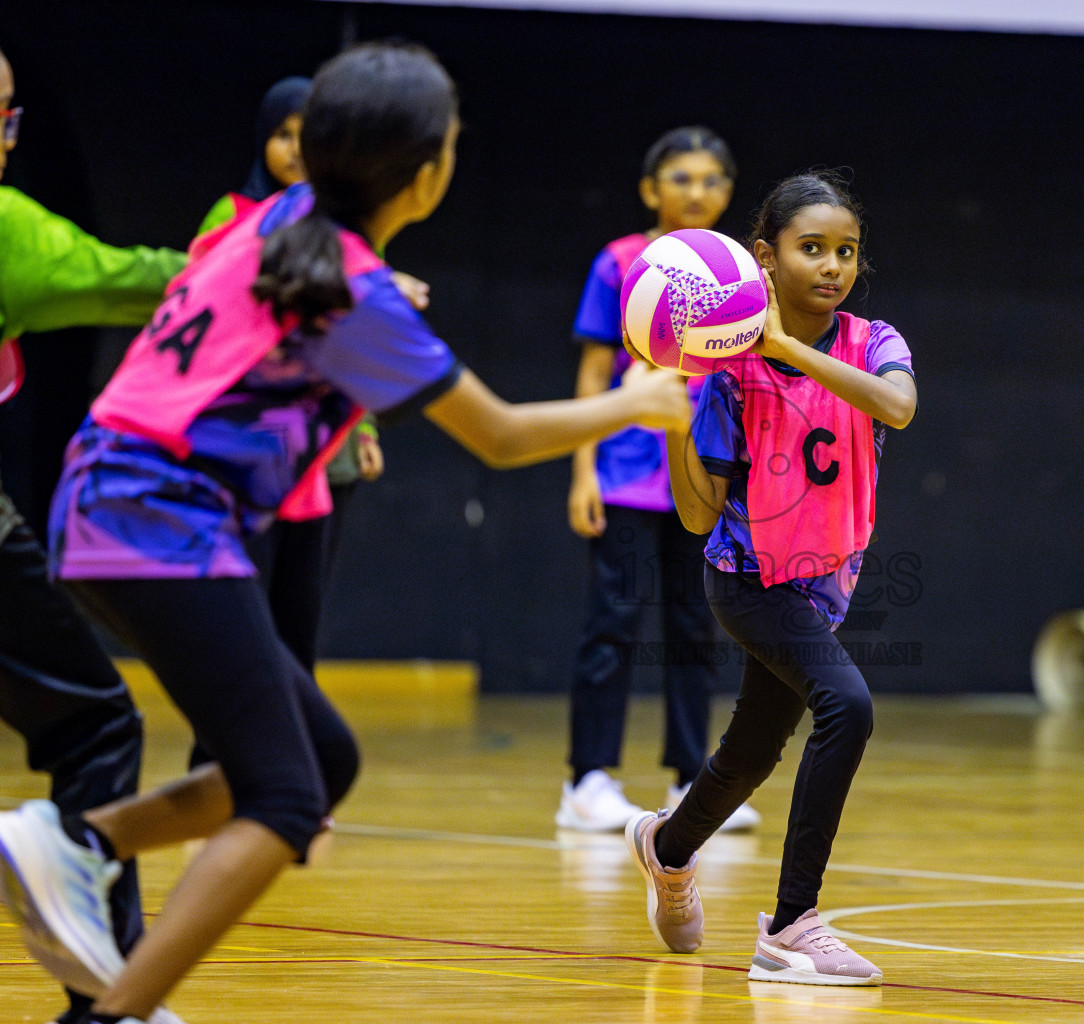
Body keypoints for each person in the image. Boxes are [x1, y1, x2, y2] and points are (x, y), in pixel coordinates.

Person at [0, 41, 690, 1024]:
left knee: (322, 761)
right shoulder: (354, 290)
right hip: (158, 521)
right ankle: (115, 1006)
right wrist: (640, 401)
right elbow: (497, 435)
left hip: (102, 498)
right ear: (428, 172)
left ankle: (82, 842)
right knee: (283, 799)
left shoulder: (277, 224)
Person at [623, 171, 916, 985]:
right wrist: (678, 415)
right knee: (847, 706)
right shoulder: (728, 376)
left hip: (823, 584)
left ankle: (667, 845)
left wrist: (787, 348)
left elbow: (896, 408)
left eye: (845, 251)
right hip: (749, 581)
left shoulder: (875, 341)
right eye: (811, 248)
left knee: (751, 750)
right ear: (764, 257)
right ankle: (791, 927)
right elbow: (695, 516)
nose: (831, 266)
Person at [0, 45, 188, 1024]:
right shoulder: (4, 226)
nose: (4, 136)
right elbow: (139, 280)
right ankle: (112, 993)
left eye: (8, 113)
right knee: (99, 724)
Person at [560, 126, 758, 833]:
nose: (696, 191)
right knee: (613, 623)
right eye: (680, 177)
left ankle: (688, 782)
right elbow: (591, 374)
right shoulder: (618, 264)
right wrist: (582, 468)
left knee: (695, 626)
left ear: (728, 191)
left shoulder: (737, 274)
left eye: (710, 180)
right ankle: (587, 780)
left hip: (700, 482)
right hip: (621, 476)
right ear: (650, 190)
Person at [195, 75, 388, 674]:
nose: (297, 151)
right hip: (245, 440)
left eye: (311, 138)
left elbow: (366, 341)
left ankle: (290, 741)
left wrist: (367, 430)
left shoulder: (350, 232)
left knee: (300, 609)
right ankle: (226, 749)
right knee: (239, 611)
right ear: (262, 141)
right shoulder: (231, 215)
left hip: (327, 451)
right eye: (283, 135)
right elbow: (194, 313)